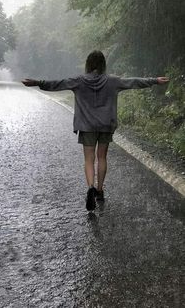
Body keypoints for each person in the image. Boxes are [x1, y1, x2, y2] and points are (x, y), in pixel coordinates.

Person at [22, 50, 169, 211]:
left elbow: (57, 84)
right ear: (103, 65)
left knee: (89, 159)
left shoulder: (78, 81)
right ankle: (100, 191)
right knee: (102, 157)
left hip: (86, 126)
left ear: (88, 64)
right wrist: (154, 80)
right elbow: (133, 82)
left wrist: (37, 82)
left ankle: (90, 187)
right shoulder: (113, 81)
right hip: (106, 125)